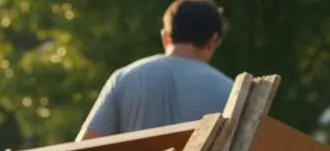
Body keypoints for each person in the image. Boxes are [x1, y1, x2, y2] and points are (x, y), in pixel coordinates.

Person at [76, 1, 234, 141]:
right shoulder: (230, 91)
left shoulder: (125, 78)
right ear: (212, 40)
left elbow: (83, 148)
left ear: (165, 37)